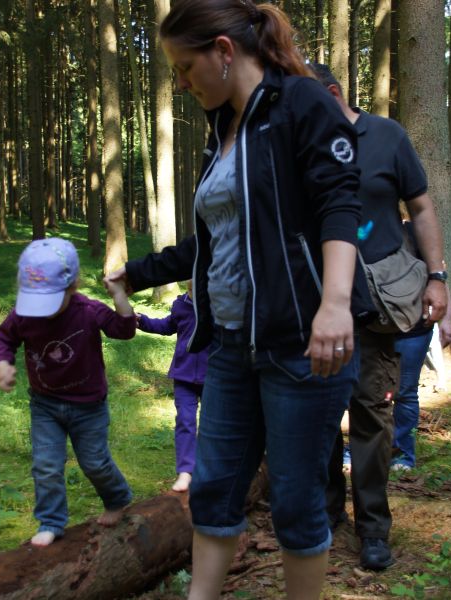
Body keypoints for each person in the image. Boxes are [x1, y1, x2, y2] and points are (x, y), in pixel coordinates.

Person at [105, 2, 363, 597]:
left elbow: (339, 205)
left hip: (302, 345)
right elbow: (218, 239)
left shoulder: (302, 102)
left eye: (184, 66)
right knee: (214, 490)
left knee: (296, 502)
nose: (181, 82)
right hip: (229, 347)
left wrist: (334, 304)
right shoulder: (223, 127)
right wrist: (137, 274)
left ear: (223, 51)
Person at [313, 63, 449, 572]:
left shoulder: (387, 136)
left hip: (378, 306)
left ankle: (373, 528)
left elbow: (423, 209)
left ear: (332, 93)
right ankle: (328, 513)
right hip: (316, 306)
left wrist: (438, 277)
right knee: (319, 415)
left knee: (372, 414)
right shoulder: (301, 143)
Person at [0, 237, 135, 547]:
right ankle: (51, 521)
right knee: (46, 465)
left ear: (73, 286)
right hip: (45, 405)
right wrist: (2, 364)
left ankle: (117, 498)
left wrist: (119, 295)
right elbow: (4, 339)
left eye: (50, 300)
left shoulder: (88, 310)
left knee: (95, 462)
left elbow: (124, 330)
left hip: (89, 406)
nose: (42, 311)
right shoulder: (24, 314)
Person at [391, 223, 451, 472]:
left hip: (415, 326)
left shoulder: (417, 231)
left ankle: (402, 455)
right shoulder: (363, 224)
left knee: (405, 392)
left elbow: (440, 278)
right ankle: (363, 451)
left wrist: (446, 320)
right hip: (371, 325)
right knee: (367, 393)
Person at [136, 283, 207, 492]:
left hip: (212, 378)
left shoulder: (219, 306)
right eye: (191, 289)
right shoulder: (181, 305)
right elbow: (167, 326)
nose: (194, 293)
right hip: (183, 376)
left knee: (212, 426)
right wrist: (142, 320)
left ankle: (211, 468)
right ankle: (186, 471)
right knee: (185, 420)